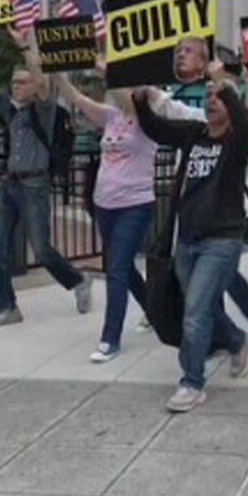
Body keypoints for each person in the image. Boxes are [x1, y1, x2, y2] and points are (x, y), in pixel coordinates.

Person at [132, 62, 248, 412]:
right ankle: (235, 340)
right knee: (197, 308)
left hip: (222, 240)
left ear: (230, 103)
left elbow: (246, 122)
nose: (211, 101)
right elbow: (155, 127)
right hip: (186, 240)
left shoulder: (238, 139)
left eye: (218, 96)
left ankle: (191, 382)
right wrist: (140, 101)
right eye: (207, 96)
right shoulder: (194, 134)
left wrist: (223, 82)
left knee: (196, 311)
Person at [0, 29, 92, 329]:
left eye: (22, 82)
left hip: (34, 185)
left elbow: (41, 79)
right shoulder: (8, 108)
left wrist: (24, 45)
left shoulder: (45, 109)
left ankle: (78, 280)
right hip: (9, 184)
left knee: (41, 249)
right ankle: (6, 308)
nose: (16, 86)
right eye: (14, 81)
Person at [141, 41, 248, 347]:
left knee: (213, 285)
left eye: (187, 52)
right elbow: (163, 111)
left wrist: (230, 85)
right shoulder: (195, 118)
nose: (179, 56)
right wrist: (131, 77)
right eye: (177, 53)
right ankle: (225, 334)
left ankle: (225, 336)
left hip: (226, 218)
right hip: (195, 215)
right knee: (217, 284)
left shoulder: (234, 119)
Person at [53, 70, 155, 362]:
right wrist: (56, 72)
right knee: (122, 266)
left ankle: (110, 338)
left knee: (117, 270)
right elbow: (77, 98)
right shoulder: (111, 117)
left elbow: (125, 94)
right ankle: (155, 311)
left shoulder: (147, 121)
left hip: (135, 205)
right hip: (105, 205)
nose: (112, 93)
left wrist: (109, 69)